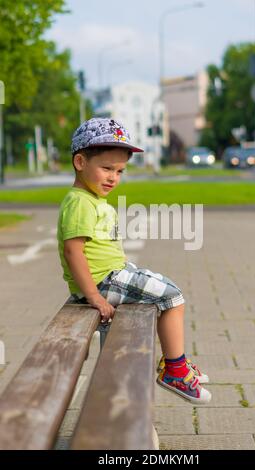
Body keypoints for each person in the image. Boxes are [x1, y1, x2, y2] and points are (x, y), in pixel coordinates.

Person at [57, 117, 211, 405]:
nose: (113, 177)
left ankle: (173, 363)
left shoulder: (91, 199)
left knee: (158, 285)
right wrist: (94, 297)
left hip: (109, 276)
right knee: (173, 297)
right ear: (80, 162)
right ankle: (174, 370)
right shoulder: (80, 202)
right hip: (103, 282)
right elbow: (73, 252)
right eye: (106, 168)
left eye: (119, 171)